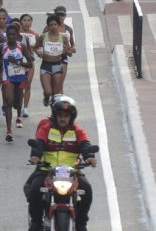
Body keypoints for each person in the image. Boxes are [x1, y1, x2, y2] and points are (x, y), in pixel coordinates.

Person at [25, 96, 95, 231]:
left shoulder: (77, 130)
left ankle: (81, 224)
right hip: (47, 170)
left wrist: (90, 157)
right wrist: (35, 156)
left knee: (87, 190)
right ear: (55, 116)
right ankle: (36, 222)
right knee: (34, 189)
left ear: (71, 117)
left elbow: (85, 144)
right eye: (60, 115)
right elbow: (38, 143)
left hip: (72, 172)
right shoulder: (46, 128)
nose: (63, 118)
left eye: (66, 116)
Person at [0, 25, 33, 142]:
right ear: (6, 35)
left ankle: (18, 115)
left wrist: (18, 62)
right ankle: (9, 131)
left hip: (20, 77)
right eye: (9, 34)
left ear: (17, 35)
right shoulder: (2, 47)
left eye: (13, 34)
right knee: (9, 101)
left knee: (18, 101)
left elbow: (30, 64)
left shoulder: (21, 46)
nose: (11, 37)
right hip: (7, 77)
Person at [34, 15, 73, 106]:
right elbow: (35, 47)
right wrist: (39, 53)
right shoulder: (43, 37)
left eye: (55, 24)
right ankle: (46, 96)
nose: (53, 27)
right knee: (48, 91)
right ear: (48, 26)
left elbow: (70, 53)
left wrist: (66, 50)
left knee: (56, 94)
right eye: (51, 25)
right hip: (45, 66)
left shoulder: (63, 38)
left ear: (58, 25)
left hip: (57, 66)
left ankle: (54, 109)